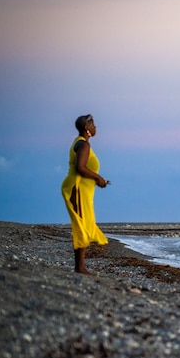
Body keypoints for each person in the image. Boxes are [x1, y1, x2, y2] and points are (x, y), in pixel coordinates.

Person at [60, 114, 110, 274]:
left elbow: (83, 168)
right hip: (77, 188)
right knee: (81, 225)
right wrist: (98, 178)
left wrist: (97, 180)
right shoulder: (83, 145)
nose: (96, 127)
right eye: (93, 124)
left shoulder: (81, 143)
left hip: (83, 190)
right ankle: (80, 267)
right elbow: (80, 167)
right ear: (87, 128)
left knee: (84, 223)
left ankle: (80, 266)